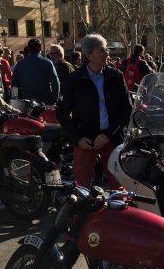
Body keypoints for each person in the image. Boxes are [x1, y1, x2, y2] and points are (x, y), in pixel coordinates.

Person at [56, 34, 132, 188]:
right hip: (85, 140)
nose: (107, 54)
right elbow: (62, 113)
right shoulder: (74, 80)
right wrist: (77, 138)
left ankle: (117, 211)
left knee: (118, 185)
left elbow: (127, 109)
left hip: (111, 138)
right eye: (102, 51)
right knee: (81, 185)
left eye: (106, 50)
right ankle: (83, 212)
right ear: (90, 55)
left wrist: (109, 134)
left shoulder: (115, 76)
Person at [11, 38, 60, 105]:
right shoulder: (47, 63)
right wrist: (54, 99)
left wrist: (17, 99)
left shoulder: (20, 64)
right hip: (45, 101)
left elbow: (14, 84)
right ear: (40, 49)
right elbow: (55, 83)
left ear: (29, 49)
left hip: (27, 101)